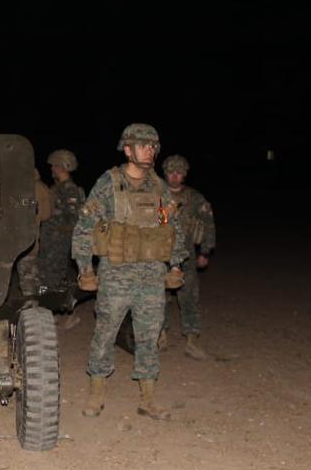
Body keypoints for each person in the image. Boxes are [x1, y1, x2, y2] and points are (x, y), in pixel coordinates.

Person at [72, 123, 188, 420]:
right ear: (128, 149)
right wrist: (85, 268)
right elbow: (85, 227)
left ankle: (147, 399)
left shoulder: (159, 187)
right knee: (106, 332)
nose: (150, 151)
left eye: (153, 146)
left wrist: (175, 264)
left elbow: (173, 228)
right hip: (117, 273)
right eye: (144, 145)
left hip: (151, 274)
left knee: (149, 336)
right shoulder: (109, 183)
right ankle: (97, 392)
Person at [159, 154, 216, 360]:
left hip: (187, 256)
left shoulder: (194, 198)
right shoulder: (156, 195)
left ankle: (191, 342)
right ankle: (161, 336)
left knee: (188, 297)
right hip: (159, 255)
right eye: (171, 172)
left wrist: (205, 251)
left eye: (179, 173)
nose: (175, 177)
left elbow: (208, 223)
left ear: (184, 174)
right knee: (159, 297)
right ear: (165, 173)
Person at [38, 149, 84, 290]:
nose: (52, 168)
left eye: (54, 165)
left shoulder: (70, 189)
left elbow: (73, 217)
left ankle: (53, 302)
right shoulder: (56, 187)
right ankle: (47, 302)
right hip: (50, 238)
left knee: (53, 274)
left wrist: (59, 233)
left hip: (58, 240)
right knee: (45, 273)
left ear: (63, 166)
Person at [16, 167, 54, 295]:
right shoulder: (41, 187)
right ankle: (39, 300)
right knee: (34, 274)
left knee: (26, 276)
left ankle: (31, 304)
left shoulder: (5, 186)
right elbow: (46, 215)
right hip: (33, 241)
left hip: (10, 242)